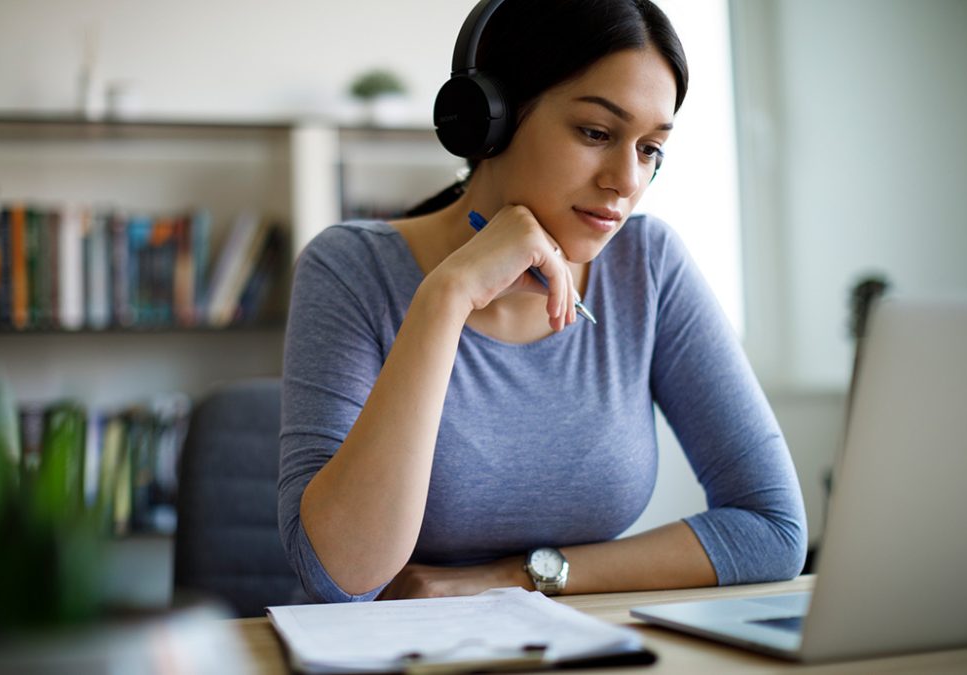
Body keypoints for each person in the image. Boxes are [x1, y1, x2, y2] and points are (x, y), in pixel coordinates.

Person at [278, 0, 806, 603]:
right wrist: (447, 298)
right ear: (489, 121)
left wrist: (514, 577)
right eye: (596, 133)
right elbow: (339, 576)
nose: (626, 181)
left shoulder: (648, 265)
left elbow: (773, 530)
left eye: (649, 148)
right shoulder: (350, 269)